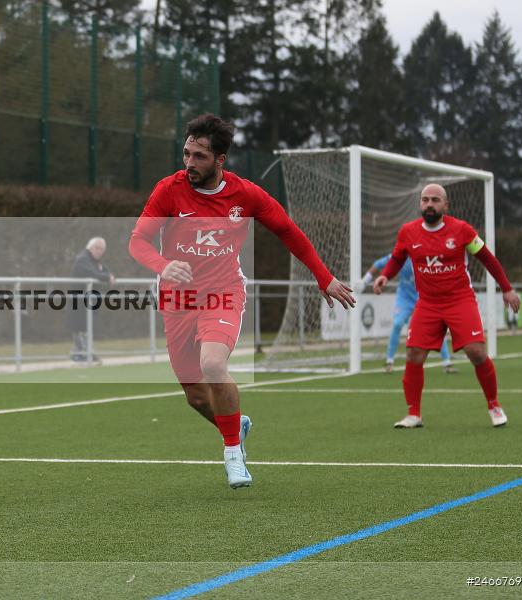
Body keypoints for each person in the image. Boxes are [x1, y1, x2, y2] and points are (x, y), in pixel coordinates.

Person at [129, 114, 355, 489]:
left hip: (223, 293)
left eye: (199, 156)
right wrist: (164, 265)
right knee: (196, 397)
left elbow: (288, 231)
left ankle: (233, 452)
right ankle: (236, 423)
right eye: (186, 153)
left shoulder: (246, 194)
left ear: (220, 160)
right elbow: (137, 241)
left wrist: (323, 276)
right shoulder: (168, 190)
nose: (189, 163)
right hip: (177, 300)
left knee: (213, 364)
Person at [373, 183, 520, 428]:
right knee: (414, 354)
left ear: (445, 205)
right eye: (425, 200)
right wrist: (385, 275)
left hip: (460, 300)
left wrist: (506, 288)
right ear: (420, 203)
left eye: (435, 200)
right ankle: (414, 414)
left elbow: (487, 258)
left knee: (477, 353)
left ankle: (494, 405)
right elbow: (398, 257)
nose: (429, 204)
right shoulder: (408, 232)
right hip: (427, 303)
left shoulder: (462, 230)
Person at [361, 254, 456, 373]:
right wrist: (364, 281)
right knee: (397, 324)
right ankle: (389, 361)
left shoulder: (426, 254)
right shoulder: (400, 256)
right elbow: (378, 264)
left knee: (436, 326)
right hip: (404, 298)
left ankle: (447, 363)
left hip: (423, 296)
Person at [68, 237, 115, 362]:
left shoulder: (95, 261)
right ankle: (80, 353)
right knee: (81, 327)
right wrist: (106, 277)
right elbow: (92, 274)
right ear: (90, 247)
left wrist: (107, 276)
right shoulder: (83, 259)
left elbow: (104, 272)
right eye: (97, 248)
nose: (99, 251)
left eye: (101, 249)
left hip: (89, 301)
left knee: (87, 327)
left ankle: (86, 352)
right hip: (79, 301)